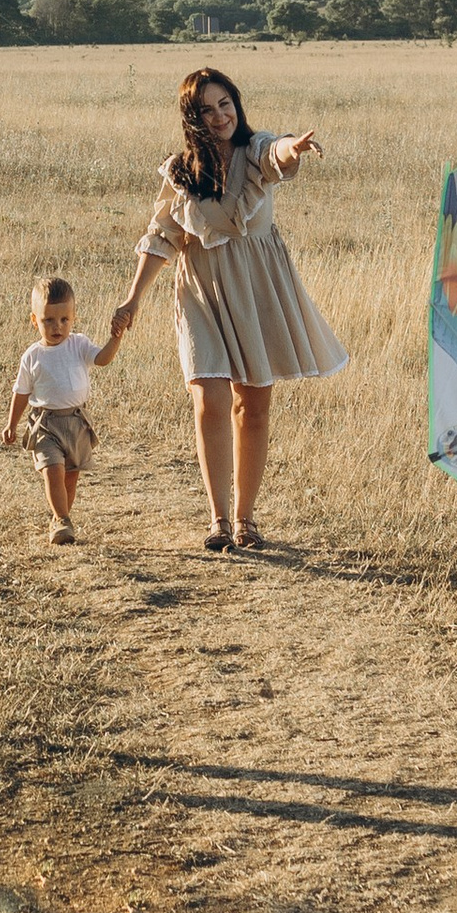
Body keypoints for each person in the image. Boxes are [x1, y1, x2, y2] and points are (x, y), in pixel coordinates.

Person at [131, 63, 346, 553]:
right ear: (192, 118)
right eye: (206, 109)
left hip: (257, 289)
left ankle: (247, 519)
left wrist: (295, 147)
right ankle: (218, 520)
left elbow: (278, 153)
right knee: (209, 399)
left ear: (236, 105)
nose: (219, 115)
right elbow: (162, 236)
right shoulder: (180, 171)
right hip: (201, 291)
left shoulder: (255, 150)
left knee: (253, 405)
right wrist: (132, 298)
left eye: (225, 104)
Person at [2, 272, 141, 542]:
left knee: (70, 478)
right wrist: (11, 423)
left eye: (64, 320)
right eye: (48, 320)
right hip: (45, 424)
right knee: (53, 471)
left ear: (73, 318)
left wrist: (116, 339)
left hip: (76, 422)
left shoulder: (78, 344)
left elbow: (101, 359)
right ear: (34, 320)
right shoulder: (33, 356)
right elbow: (21, 392)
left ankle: (62, 516)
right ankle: (61, 520)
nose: (58, 327)